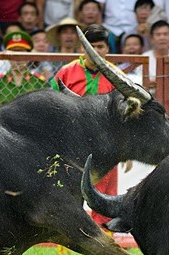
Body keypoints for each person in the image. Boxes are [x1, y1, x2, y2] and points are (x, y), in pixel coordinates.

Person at [49, 24, 119, 228]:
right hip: (71, 142)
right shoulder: (66, 72)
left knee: (105, 193)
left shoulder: (116, 75)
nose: (96, 51)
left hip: (106, 144)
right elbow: (52, 104)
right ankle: (66, 235)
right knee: (68, 188)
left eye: (101, 46)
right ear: (83, 48)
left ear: (108, 49)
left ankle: (105, 237)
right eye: (91, 46)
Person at [0, 30, 47, 110]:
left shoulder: (38, 82)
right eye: (14, 53)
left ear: (28, 56)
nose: (18, 58)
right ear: (8, 57)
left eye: (21, 53)